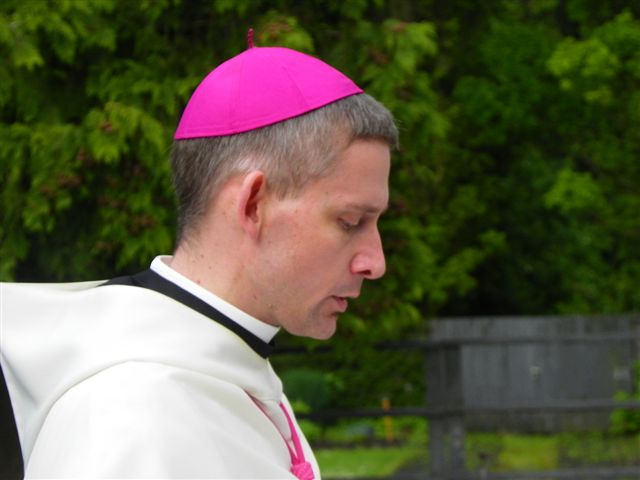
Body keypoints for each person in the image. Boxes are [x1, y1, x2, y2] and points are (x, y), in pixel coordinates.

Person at [0, 35, 398, 479]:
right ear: (253, 205)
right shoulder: (130, 413)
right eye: (350, 221)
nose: (375, 262)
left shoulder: (229, 371)